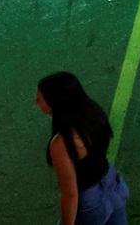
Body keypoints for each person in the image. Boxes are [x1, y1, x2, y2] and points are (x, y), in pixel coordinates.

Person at [37, 72, 130, 225]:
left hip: (91, 203)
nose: (37, 102)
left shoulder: (61, 143)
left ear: (55, 101)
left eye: (40, 99)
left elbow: (71, 194)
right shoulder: (94, 113)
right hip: (114, 185)